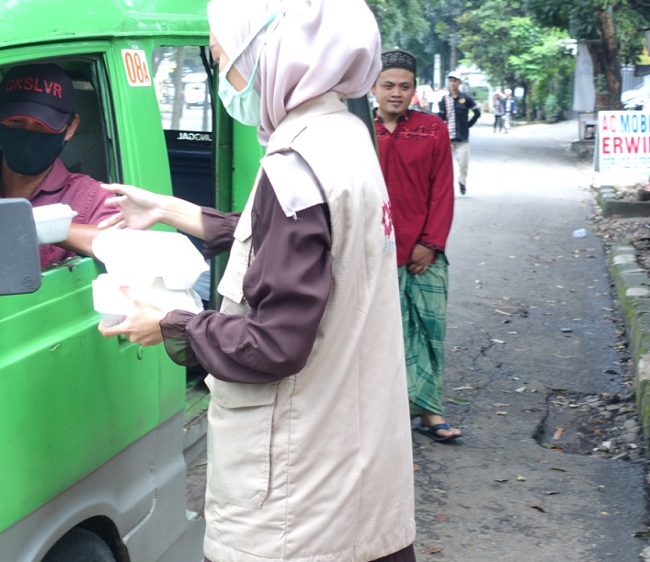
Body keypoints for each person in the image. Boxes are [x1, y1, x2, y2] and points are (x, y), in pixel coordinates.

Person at [98, 1, 417, 560]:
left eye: (222, 58)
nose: (223, 77)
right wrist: (170, 210)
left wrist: (172, 324)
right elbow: (281, 241)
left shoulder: (293, 163)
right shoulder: (343, 135)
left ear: (270, 51)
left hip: (298, 495)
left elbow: (275, 342)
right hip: (353, 458)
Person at [0, 63, 116, 294]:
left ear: (69, 128)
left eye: (43, 125)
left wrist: (33, 227)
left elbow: (126, 248)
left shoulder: (90, 196)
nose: (28, 134)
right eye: (16, 122)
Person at [372, 50, 461, 443]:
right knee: (376, 337)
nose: (396, 93)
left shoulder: (433, 129)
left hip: (422, 255)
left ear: (414, 90)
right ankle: (381, 417)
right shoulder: (356, 129)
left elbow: (442, 192)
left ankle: (430, 412)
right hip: (370, 253)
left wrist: (431, 243)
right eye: (388, 85)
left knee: (428, 330)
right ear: (372, 88)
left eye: (404, 86)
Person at [437, 71, 479, 195]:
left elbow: (477, 113)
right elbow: (440, 117)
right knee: (445, 166)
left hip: (462, 138)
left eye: (455, 81)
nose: (452, 83)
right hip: (448, 138)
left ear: (459, 82)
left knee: (463, 164)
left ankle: (462, 181)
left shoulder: (465, 99)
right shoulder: (444, 100)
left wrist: (468, 125)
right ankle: (446, 188)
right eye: (450, 81)